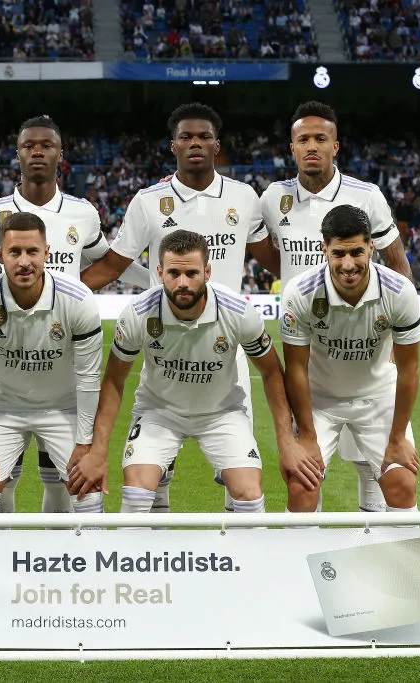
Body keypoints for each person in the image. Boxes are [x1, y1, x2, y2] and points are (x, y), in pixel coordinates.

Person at [80, 102, 280, 514]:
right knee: (152, 479)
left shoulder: (244, 198)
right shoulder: (149, 201)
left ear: (217, 146)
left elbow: (273, 260)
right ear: (173, 145)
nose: (195, 143)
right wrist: (60, 297)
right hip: (164, 343)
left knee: (241, 480)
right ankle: (159, 562)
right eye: (186, 137)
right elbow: (114, 265)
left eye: (203, 136)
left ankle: (235, 565)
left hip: (229, 341)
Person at [0, 115, 148, 514]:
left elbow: (107, 261)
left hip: (63, 364)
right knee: (2, 485)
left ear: (59, 155)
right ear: (16, 155)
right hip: (8, 361)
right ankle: (6, 567)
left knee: (62, 479)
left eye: (46, 145)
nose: (37, 151)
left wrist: (156, 281)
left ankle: (61, 567)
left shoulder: (82, 213)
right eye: (29, 145)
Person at [70, 230, 312, 512]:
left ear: (207, 272)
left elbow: (272, 373)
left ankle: (237, 557)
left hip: (221, 414)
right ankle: (142, 557)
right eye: (173, 273)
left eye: (192, 274)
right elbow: (113, 381)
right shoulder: (138, 314)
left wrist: (287, 441)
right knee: (136, 495)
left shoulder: (238, 312)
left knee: (250, 496)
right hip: (159, 413)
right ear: (159, 272)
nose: (182, 283)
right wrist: (98, 451)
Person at [261, 100, 414, 513]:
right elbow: (260, 249)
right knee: (304, 475)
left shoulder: (367, 195)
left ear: (335, 146)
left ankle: (373, 551)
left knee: (374, 466)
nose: (312, 146)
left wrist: (395, 321)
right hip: (308, 348)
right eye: (303, 139)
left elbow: (396, 263)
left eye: (320, 139)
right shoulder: (274, 198)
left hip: (364, 340)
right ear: (291, 148)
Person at [0, 212, 104, 515]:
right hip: (2, 408)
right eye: (14, 252)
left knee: (89, 498)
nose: (24, 262)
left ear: (47, 252)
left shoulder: (78, 300)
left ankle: (77, 562)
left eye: (32, 252)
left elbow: (89, 378)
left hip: (63, 407)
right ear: (0, 255)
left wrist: (86, 443)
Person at [280, 205, 420, 515]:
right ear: (324, 249)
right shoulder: (300, 293)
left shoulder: (399, 292)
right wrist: (305, 435)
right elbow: (296, 370)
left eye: (357, 252)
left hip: (377, 397)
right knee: (301, 485)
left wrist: (397, 437)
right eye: (338, 253)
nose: (348, 264)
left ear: (371, 247)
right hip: (319, 401)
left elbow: (409, 369)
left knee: (403, 484)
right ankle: (296, 562)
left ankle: (402, 563)